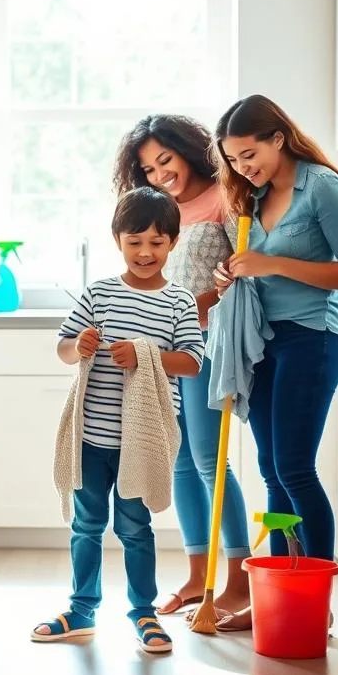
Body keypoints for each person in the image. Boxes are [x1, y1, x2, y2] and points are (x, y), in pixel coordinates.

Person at [32, 187, 204, 654]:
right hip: (91, 436)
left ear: (172, 242)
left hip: (141, 441)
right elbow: (63, 347)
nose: (145, 252)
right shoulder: (100, 293)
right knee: (86, 526)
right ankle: (82, 609)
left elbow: (192, 360)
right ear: (117, 240)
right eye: (135, 242)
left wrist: (145, 354)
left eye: (156, 242)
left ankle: (143, 613)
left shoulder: (179, 301)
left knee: (134, 527)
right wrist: (79, 345)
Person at [213, 94, 338, 592]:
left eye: (249, 155)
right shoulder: (252, 199)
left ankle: (314, 596)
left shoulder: (321, 187)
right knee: (271, 472)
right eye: (233, 160)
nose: (243, 167)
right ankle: (280, 592)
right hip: (262, 342)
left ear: (278, 138)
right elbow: (255, 271)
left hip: (311, 339)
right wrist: (231, 276)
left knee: (295, 468)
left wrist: (272, 263)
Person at [113, 116, 251, 622]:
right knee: (180, 462)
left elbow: (243, 274)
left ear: (188, 150)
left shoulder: (226, 195)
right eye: (148, 169)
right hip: (167, 350)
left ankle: (238, 580)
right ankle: (199, 577)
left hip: (211, 344)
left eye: (164, 161)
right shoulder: (163, 211)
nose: (159, 174)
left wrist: (200, 302)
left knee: (211, 461)